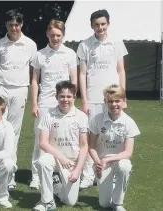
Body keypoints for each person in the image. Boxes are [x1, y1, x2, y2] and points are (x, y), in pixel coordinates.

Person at [77, 9, 128, 189]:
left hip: (112, 99)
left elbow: (121, 71)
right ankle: (89, 175)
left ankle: (110, 173)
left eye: (103, 24)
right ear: (92, 26)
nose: (100, 27)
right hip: (92, 98)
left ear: (108, 24)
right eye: (97, 24)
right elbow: (82, 74)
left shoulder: (117, 43)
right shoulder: (84, 45)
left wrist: (123, 97)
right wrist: (84, 100)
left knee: (112, 137)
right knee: (93, 138)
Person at [0, 9, 37, 190]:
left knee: (14, 132)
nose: (14, 28)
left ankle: (9, 174)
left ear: (21, 25)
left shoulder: (30, 44)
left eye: (17, 25)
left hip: (20, 90)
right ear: (6, 25)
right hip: (1, 89)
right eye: (11, 25)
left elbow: (33, 70)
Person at [29, 20, 77, 190]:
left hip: (63, 102)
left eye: (58, 35)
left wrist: (72, 100)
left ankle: (58, 170)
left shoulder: (70, 54)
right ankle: (36, 175)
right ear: (47, 35)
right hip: (45, 103)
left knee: (61, 138)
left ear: (63, 35)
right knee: (40, 141)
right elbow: (35, 81)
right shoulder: (40, 54)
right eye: (52, 35)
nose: (55, 38)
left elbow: (74, 80)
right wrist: (34, 103)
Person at [32, 81, 88, 211]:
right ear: (57, 97)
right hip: (55, 159)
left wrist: (78, 170)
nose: (65, 100)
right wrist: (61, 157)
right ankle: (47, 201)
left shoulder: (81, 117)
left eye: (69, 96)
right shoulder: (49, 115)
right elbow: (43, 143)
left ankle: (56, 184)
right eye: (62, 96)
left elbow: (84, 146)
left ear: (74, 97)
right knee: (43, 161)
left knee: (70, 202)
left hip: (72, 163)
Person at [88, 84, 139, 211]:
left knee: (125, 166)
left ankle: (118, 203)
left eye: (117, 101)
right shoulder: (97, 119)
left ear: (124, 101)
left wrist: (107, 160)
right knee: (104, 204)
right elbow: (91, 147)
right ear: (105, 102)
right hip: (102, 163)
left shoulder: (129, 122)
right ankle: (112, 185)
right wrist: (98, 162)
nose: (114, 104)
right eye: (110, 101)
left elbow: (128, 153)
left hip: (119, 160)